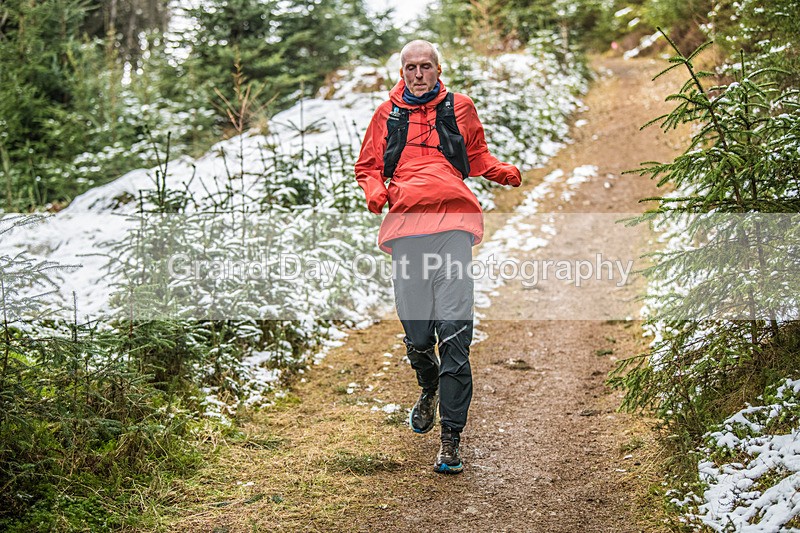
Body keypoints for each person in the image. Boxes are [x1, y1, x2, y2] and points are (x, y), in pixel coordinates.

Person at [354, 40, 521, 474]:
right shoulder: (386, 114)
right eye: (410, 67)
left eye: (425, 66)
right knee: (418, 333)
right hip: (408, 228)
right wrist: (376, 192)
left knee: (454, 332)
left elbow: (476, 153)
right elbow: (368, 167)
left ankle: (451, 440)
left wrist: (498, 170)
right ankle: (428, 386)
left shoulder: (460, 107)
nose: (418, 73)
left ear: (438, 69)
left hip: (453, 227)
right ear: (402, 71)